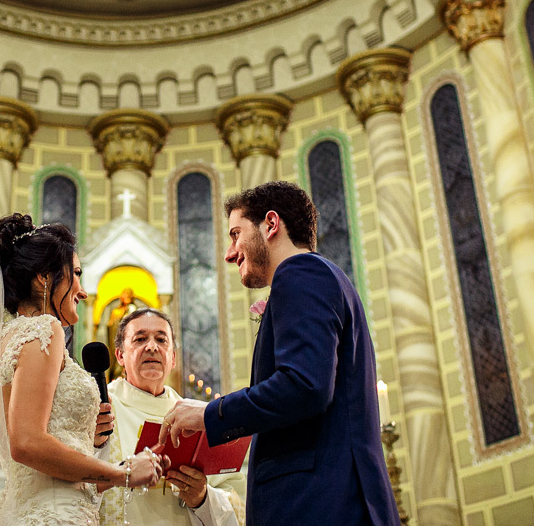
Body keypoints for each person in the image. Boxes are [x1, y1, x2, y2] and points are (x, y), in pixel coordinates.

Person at [160, 181, 400, 526]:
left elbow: (305, 386)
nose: (230, 253)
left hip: (317, 502)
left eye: (235, 234)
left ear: (271, 224)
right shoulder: (324, 277)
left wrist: (211, 414)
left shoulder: (301, 273)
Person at [0, 214, 165, 526]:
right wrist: (123, 473)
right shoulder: (44, 330)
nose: (83, 291)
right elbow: (27, 443)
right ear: (43, 278)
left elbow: (42, 458)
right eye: (75, 274)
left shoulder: (5, 340)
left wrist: (92, 440)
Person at [98, 307, 244, 526]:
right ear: (120, 355)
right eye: (140, 339)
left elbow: (237, 500)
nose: (151, 347)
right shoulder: (101, 407)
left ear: (173, 358)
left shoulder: (198, 417)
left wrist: (202, 498)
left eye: (161, 339)